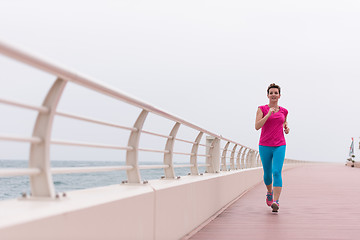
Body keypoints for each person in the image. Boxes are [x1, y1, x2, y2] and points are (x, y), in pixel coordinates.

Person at [255, 83, 290, 212]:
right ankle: (269, 192)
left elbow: (284, 122)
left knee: (277, 172)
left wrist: (286, 128)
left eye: (276, 93)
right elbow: (257, 126)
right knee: (267, 174)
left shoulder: (284, 111)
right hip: (265, 145)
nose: (273, 95)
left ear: (279, 95)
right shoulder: (262, 109)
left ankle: (276, 201)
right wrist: (268, 114)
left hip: (280, 145)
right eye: (271, 93)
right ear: (268, 95)